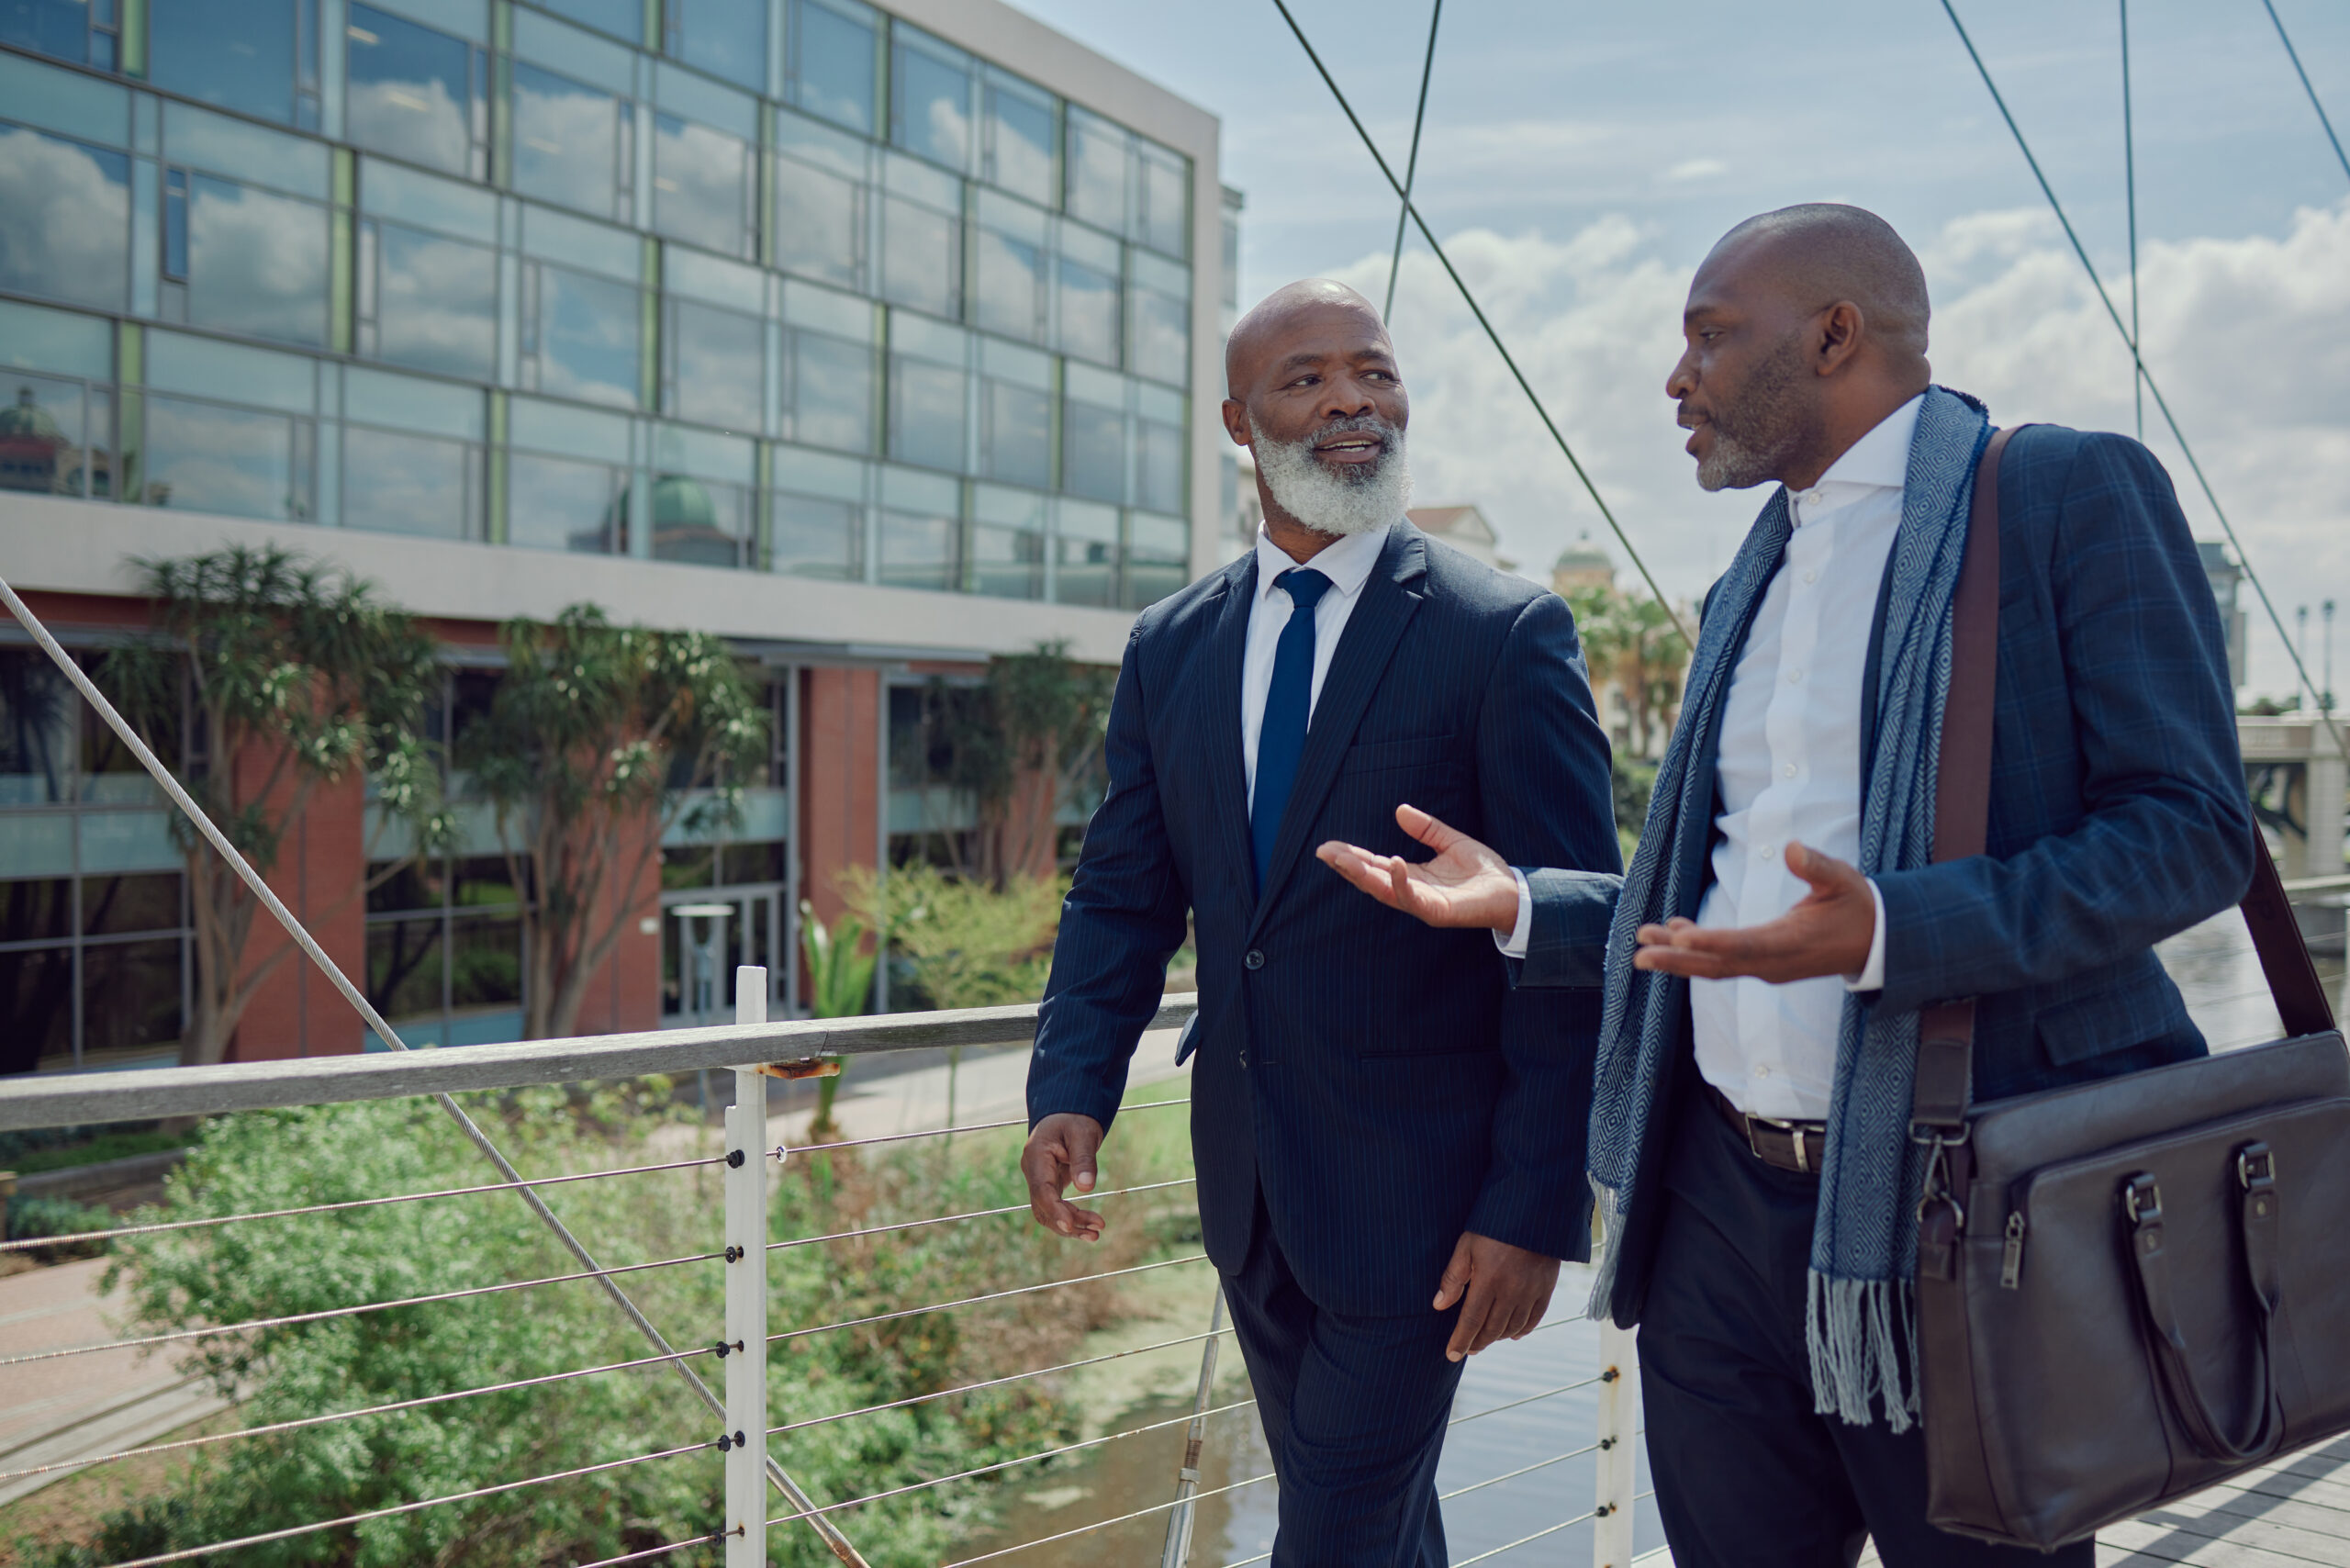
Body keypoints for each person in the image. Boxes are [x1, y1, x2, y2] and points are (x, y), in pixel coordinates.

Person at [1317, 206, 2252, 1568]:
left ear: (1833, 337)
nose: (1674, 378)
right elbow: (1722, 911)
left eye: (1709, 334)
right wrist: (1522, 902)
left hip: (1961, 1224)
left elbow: (2190, 832)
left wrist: (1892, 931)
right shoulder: (1755, 569)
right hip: (1713, 1222)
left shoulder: (2063, 496)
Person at [1020, 278, 1619, 1567]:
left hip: (1431, 1211)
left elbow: (1578, 944)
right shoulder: (1171, 647)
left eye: (1375, 371)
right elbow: (1124, 896)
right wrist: (1071, 1084)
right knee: (1378, 1530)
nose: (1351, 398)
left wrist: (1533, 1205)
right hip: (1247, 1192)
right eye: (1307, 378)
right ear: (1240, 420)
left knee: (1336, 1532)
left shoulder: (1501, 632)